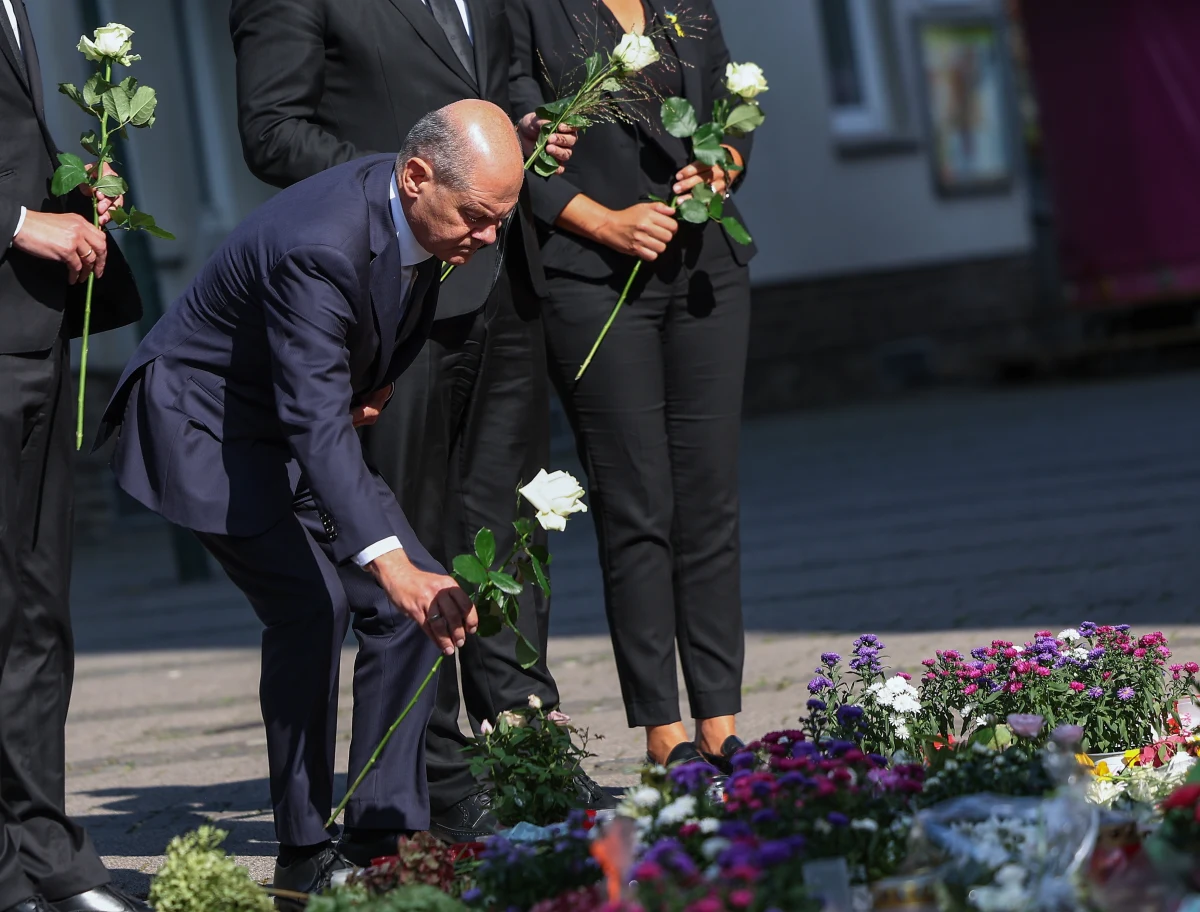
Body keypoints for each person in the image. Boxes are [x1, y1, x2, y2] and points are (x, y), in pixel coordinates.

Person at [97, 101, 522, 901]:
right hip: (205, 427)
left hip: (291, 422)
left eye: (501, 219)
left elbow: (336, 387)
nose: (489, 237)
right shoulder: (322, 243)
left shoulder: (431, 225)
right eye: (478, 217)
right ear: (417, 176)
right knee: (311, 606)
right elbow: (315, 422)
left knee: (419, 606)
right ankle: (300, 851)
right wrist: (386, 560)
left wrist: (365, 391)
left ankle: (381, 830)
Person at [228, 0, 611, 844]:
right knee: (413, 527)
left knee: (513, 521)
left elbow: (505, 81)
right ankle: (440, 768)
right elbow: (273, 129)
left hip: (500, 276)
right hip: (399, 278)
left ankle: (524, 737)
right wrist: (417, 192)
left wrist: (524, 130)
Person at [509, 0, 756, 771]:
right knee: (637, 502)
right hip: (591, 276)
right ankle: (663, 731)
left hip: (705, 267)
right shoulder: (522, 9)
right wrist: (601, 222)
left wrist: (727, 160)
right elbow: (511, 146)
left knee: (709, 499)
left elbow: (731, 101)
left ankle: (721, 720)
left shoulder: (685, 3)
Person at [0, 0, 149, 909]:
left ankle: (41, 853)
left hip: (35, 336)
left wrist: (71, 188)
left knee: (36, 610)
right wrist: (17, 221)